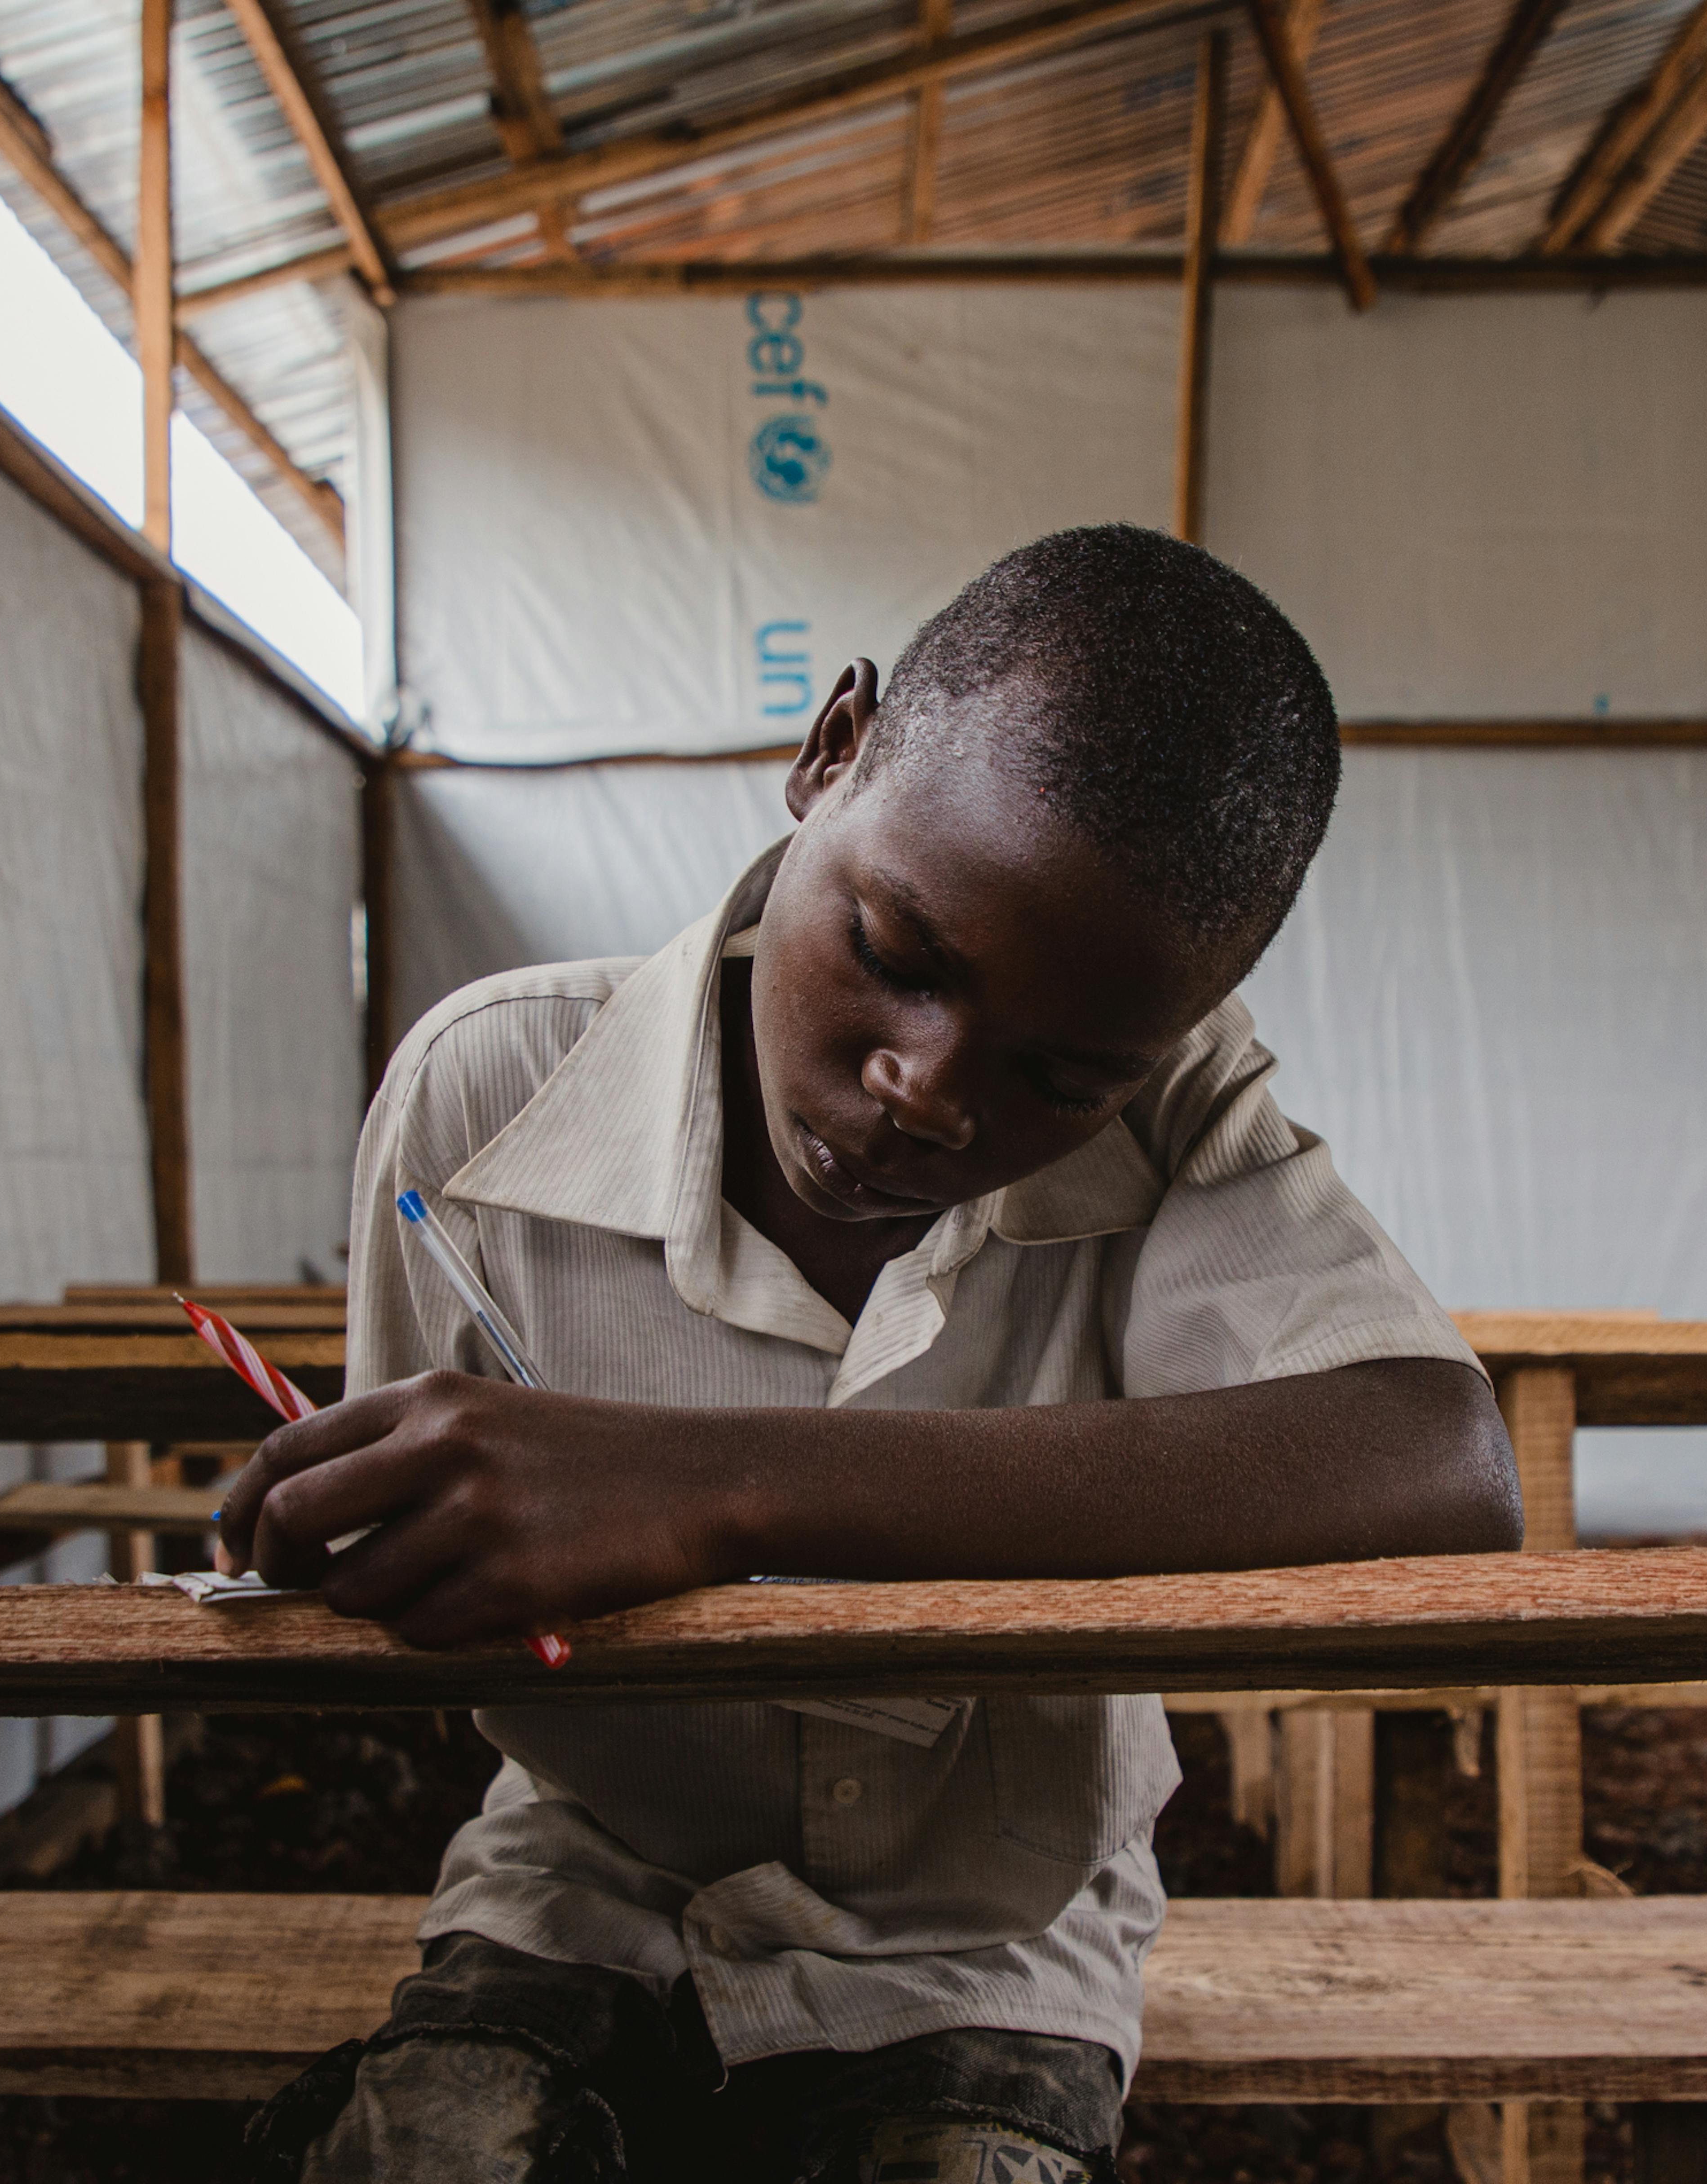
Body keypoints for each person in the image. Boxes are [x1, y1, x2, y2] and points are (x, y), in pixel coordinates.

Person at [219, 524, 1522, 2183]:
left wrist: (720, 1488)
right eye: (897, 959)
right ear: (830, 751)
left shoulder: (1187, 1119)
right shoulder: (485, 1099)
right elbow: (453, 1615)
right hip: (593, 1872)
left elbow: (1438, 1467)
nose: (933, 1092)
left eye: (1065, 1080)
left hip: (988, 1910)